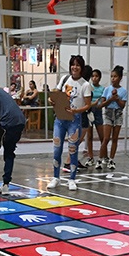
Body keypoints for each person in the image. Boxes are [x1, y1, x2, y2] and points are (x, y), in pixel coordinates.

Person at [49, 55, 91, 191]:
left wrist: (76, 110)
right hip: (60, 118)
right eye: (73, 64)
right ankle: (56, 177)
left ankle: (72, 179)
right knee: (57, 148)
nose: (75, 67)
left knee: (73, 149)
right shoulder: (64, 79)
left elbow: (88, 105)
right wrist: (52, 100)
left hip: (74, 119)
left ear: (81, 68)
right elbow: (56, 93)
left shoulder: (85, 85)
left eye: (78, 65)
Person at [98, 65, 128, 172]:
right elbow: (101, 104)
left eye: (115, 77)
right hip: (108, 113)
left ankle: (111, 159)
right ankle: (100, 159)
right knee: (106, 138)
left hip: (118, 114)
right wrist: (111, 99)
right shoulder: (107, 89)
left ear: (120, 78)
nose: (113, 79)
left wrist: (117, 98)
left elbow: (122, 105)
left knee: (115, 138)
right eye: (111, 76)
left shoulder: (123, 91)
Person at [82, 68, 105, 168]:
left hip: (98, 112)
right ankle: (90, 157)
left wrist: (99, 104)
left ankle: (103, 157)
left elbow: (103, 100)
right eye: (93, 76)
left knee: (102, 136)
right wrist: (92, 104)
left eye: (96, 76)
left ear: (99, 78)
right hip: (89, 111)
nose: (94, 78)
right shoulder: (88, 87)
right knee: (89, 136)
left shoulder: (102, 89)